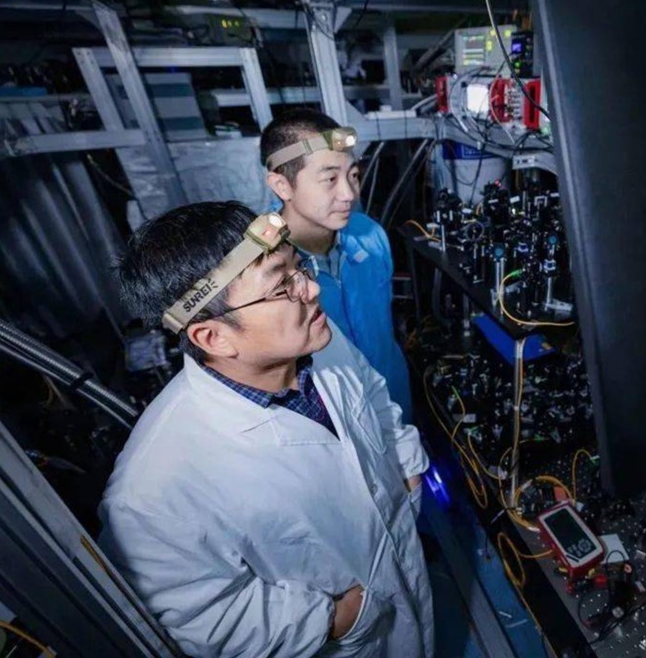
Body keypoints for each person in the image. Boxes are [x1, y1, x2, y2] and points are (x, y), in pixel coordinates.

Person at [98, 200, 433, 658]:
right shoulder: (152, 492)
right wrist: (335, 619)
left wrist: (407, 465)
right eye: (282, 286)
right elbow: (200, 618)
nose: (311, 290)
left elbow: (370, 391)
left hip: (407, 575)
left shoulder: (314, 337)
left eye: (300, 268)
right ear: (213, 337)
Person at [260, 109, 413, 421]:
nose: (349, 194)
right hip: (337, 421)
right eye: (330, 179)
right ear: (282, 185)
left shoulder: (369, 235)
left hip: (396, 399)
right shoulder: (263, 269)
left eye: (353, 175)